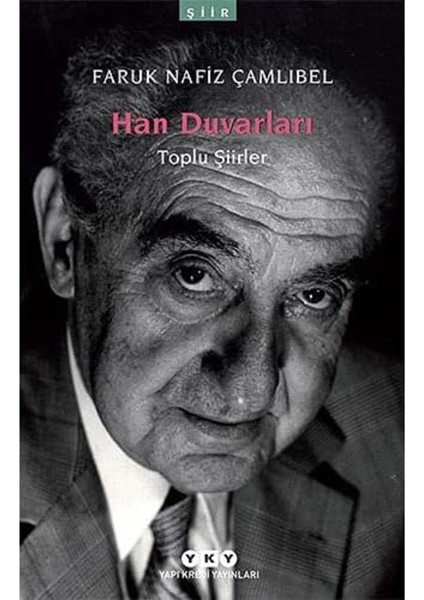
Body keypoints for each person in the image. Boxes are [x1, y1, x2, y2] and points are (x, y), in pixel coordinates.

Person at [20, 31, 403, 600]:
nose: (251, 393)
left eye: (315, 295)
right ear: (65, 242)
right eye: (194, 275)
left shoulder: (399, 432)